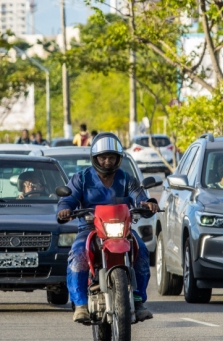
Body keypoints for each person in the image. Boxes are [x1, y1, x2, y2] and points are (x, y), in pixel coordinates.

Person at [57, 132, 158, 323]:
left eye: (111, 157)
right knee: (78, 253)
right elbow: (67, 200)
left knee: (142, 250)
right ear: (95, 158)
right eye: (103, 157)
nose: (107, 161)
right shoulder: (82, 179)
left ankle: (138, 300)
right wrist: (64, 209)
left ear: (118, 158)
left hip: (122, 229)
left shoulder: (126, 179)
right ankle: (80, 304)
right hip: (90, 228)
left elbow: (140, 197)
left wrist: (148, 203)